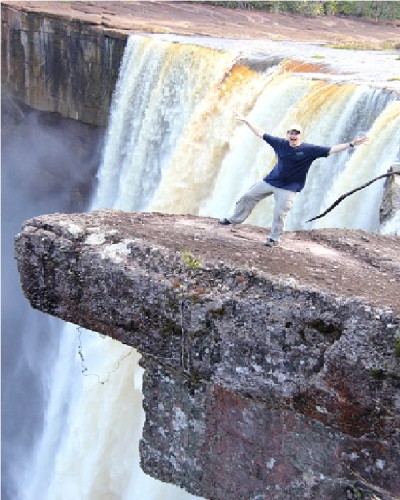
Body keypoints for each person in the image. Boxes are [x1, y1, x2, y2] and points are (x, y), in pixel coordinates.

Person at [219, 112, 369, 246]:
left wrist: (351, 144)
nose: (293, 135)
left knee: (279, 214)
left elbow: (331, 149)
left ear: (300, 135)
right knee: (248, 197)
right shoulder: (280, 143)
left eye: (296, 133)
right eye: (291, 133)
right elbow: (260, 133)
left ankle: (274, 239)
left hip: (288, 188)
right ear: (287, 134)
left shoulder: (309, 150)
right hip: (270, 181)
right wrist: (246, 121)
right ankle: (234, 219)